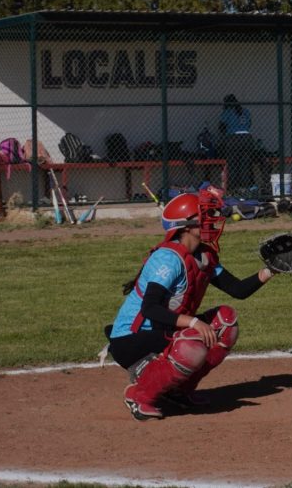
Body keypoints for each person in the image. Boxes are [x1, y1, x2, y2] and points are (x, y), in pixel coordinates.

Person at [105, 186, 278, 420]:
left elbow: (238, 290)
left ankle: (178, 390)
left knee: (225, 321)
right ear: (186, 225)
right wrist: (194, 323)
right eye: (205, 216)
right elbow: (150, 309)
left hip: (163, 331)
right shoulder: (168, 258)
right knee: (193, 340)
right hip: (131, 339)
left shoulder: (203, 256)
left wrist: (270, 270)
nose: (212, 220)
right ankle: (139, 395)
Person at [217, 94, 255, 190]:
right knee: (245, 164)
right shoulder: (245, 111)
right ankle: (245, 188)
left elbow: (221, 127)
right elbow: (249, 124)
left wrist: (228, 132)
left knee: (233, 164)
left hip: (233, 138)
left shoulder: (227, 111)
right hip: (247, 138)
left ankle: (233, 189)